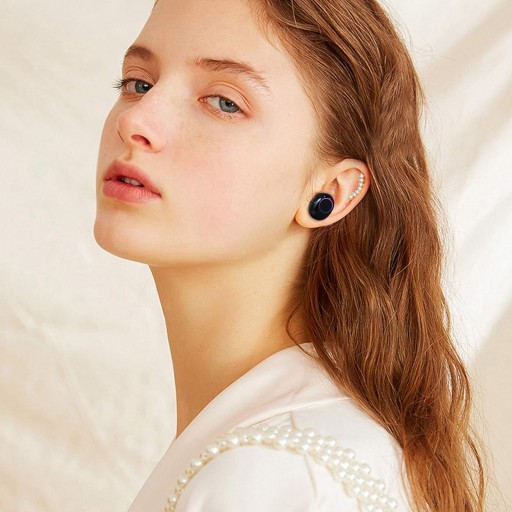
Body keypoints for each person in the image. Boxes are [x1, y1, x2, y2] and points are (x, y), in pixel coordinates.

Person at [93, 0, 488, 510]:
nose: (137, 119)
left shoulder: (276, 476)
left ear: (332, 193)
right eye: (138, 82)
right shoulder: (289, 447)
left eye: (224, 102)